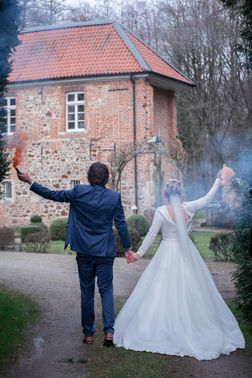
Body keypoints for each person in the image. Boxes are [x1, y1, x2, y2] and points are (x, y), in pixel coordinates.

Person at [114, 170, 245, 360]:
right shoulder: (189, 207)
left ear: (165, 194)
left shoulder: (160, 211)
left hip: (167, 252)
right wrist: (217, 180)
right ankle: (194, 326)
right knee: (193, 288)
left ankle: (162, 327)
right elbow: (208, 198)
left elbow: (151, 235)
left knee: (160, 289)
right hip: (187, 254)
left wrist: (138, 254)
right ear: (181, 194)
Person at [17, 162, 132, 346]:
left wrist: (31, 181)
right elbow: (121, 224)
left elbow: (53, 195)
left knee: (87, 292)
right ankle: (109, 332)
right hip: (105, 251)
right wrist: (127, 248)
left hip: (84, 250)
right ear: (107, 178)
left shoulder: (78, 191)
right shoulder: (114, 197)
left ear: (88, 177)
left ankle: (88, 334)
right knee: (106, 290)